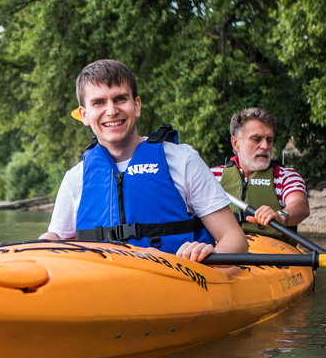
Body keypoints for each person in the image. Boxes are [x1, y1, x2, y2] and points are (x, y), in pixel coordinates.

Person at [41, 60, 247, 262]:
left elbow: (235, 239)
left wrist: (209, 253)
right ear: (85, 115)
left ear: (136, 106)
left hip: (177, 281)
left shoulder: (183, 160)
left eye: (120, 99)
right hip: (101, 284)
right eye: (99, 102)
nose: (111, 111)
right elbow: (56, 237)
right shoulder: (76, 178)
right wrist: (34, 249)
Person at [211, 108, 309, 238]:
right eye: (257, 139)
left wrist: (281, 216)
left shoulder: (285, 176)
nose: (265, 146)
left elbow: (300, 204)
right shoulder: (212, 177)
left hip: (272, 252)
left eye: (269, 140)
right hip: (224, 249)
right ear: (236, 143)